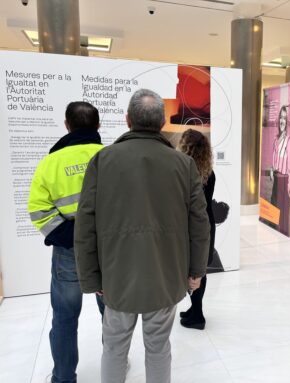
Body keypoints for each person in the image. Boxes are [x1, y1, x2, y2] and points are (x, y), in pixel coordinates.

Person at [74, 89, 210, 383]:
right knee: (159, 348)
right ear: (162, 122)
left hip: (116, 278)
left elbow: (85, 224)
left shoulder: (102, 161)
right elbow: (200, 223)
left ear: (127, 120)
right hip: (165, 275)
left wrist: (91, 277)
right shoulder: (184, 165)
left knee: (113, 349)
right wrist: (197, 271)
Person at [28, 101, 105, 383]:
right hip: (107, 251)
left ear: (67, 125)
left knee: (64, 318)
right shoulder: (110, 156)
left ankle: (62, 377)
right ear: (98, 126)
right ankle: (114, 366)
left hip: (68, 252)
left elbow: (38, 209)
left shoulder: (51, 162)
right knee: (112, 315)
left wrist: (72, 237)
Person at [177, 129, 215, 330]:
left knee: (194, 271)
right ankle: (195, 309)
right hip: (206, 225)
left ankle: (198, 314)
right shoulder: (209, 173)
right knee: (200, 270)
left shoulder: (183, 172)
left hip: (190, 227)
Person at [270, 105, 290, 236]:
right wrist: (272, 170)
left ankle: (282, 232)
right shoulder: (276, 139)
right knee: (275, 207)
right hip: (276, 179)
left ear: (287, 121)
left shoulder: (288, 140)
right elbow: (274, 157)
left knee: (282, 211)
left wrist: (289, 182)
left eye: (285, 118)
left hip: (284, 180)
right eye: (281, 118)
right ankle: (275, 231)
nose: (282, 121)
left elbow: (289, 163)